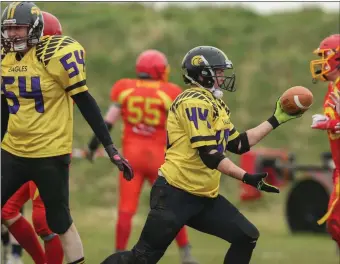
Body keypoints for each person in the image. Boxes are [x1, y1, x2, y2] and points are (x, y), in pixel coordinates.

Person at [101, 45, 302, 264]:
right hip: (175, 194)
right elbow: (210, 155)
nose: (223, 76)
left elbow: (239, 143)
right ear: (203, 73)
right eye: (218, 71)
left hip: (204, 196)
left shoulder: (214, 103)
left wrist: (276, 119)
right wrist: (245, 177)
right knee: (141, 259)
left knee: (246, 236)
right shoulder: (193, 101)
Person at [1, 2, 133, 264]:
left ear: (37, 31)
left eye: (19, 28)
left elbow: (85, 100)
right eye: (9, 29)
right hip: (13, 151)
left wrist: (110, 148)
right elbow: (4, 107)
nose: (13, 34)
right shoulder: (5, 58)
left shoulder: (55, 56)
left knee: (58, 223)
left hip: (50, 155)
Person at [86, 49, 199, 264]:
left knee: (126, 210)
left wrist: (93, 146)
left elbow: (107, 122)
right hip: (159, 158)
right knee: (171, 207)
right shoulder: (170, 91)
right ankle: (186, 254)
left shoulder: (125, 89)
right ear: (158, 69)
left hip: (131, 158)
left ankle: (118, 254)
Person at [1, 10, 64, 264]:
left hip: (47, 151)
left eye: (23, 33)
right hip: (21, 150)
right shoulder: (18, 66)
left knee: (44, 221)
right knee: (6, 210)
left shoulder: (53, 69)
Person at [310, 34, 340, 248]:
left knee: (336, 222)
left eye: (325, 55)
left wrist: (330, 123)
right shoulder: (334, 87)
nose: (321, 60)